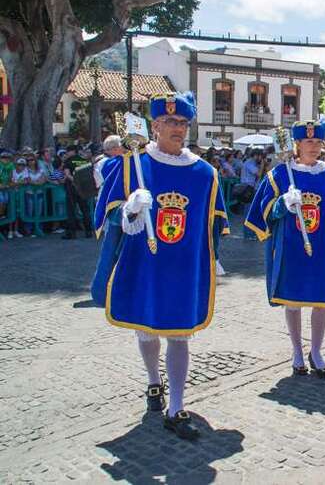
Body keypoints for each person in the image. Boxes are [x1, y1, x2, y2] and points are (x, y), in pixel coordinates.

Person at [91, 92, 230, 440]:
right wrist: (130, 209)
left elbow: (215, 221)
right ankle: (154, 381)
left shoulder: (205, 172)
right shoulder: (132, 165)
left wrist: (212, 258)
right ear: (154, 126)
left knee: (180, 334)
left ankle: (176, 406)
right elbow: (107, 215)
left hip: (184, 267)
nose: (177, 128)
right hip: (145, 263)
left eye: (182, 122)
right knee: (148, 328)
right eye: (170, 121)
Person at [245, 120, 325, 377]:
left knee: (322, 302)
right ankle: (296, 351)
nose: (314, 147)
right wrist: (282, 203)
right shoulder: (280, 175)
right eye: (308, 141)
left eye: (318, 142)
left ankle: (316, 351)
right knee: (293, 302)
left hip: (322, 250)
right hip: (291, 248)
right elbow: (264, 212)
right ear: (297, 144)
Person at [61, 144, 92, 239]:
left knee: (71, 210)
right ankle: (88, 231)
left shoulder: (68, 161)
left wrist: (75, 181)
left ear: (72, 151)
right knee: (85, 209)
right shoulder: (84, 161)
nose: (67, 153)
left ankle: (71, 233)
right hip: (83, 188)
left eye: (68, 151)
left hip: (72, 188)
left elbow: (67, 174)